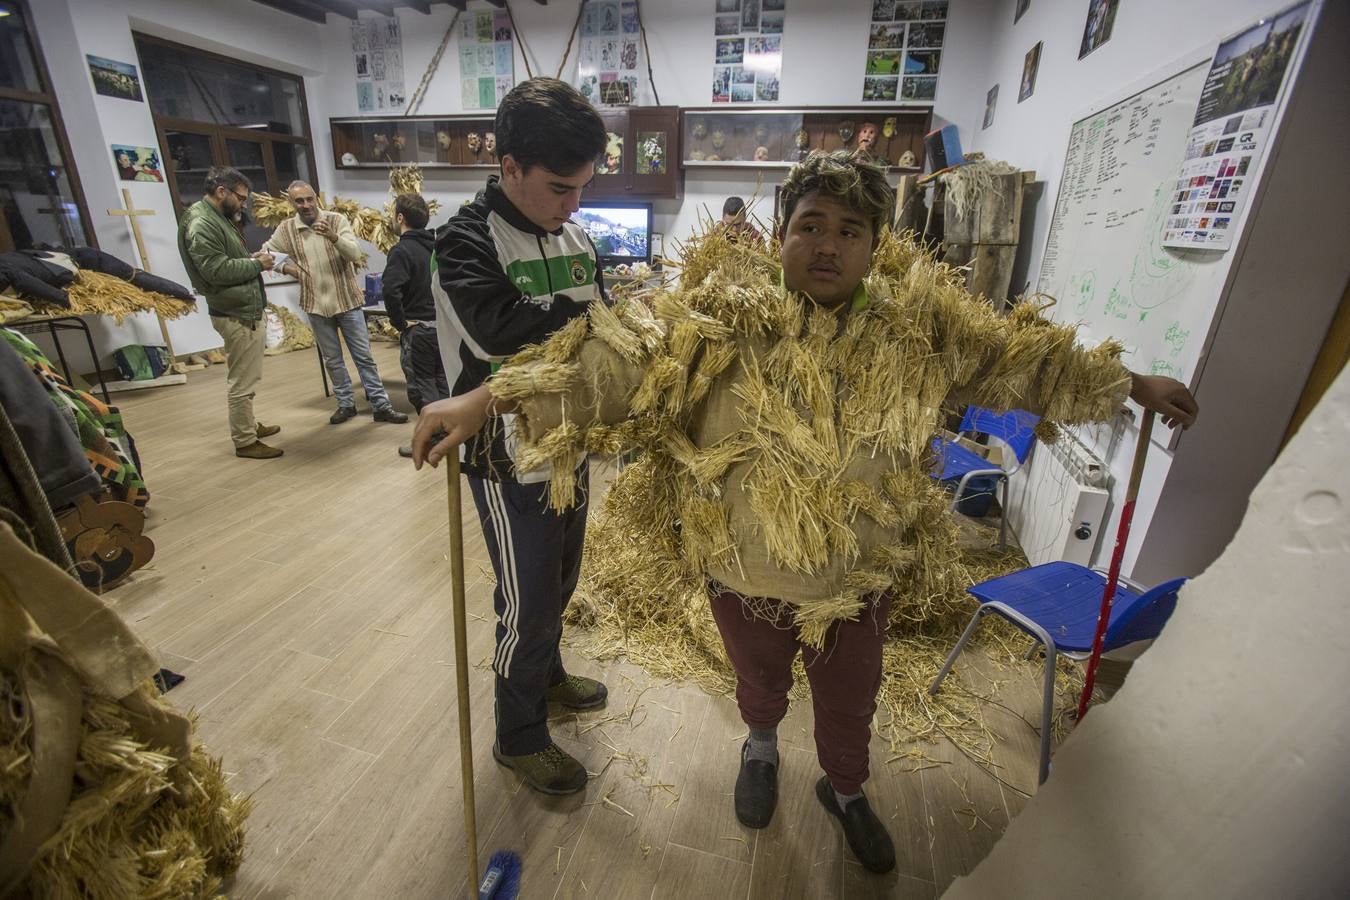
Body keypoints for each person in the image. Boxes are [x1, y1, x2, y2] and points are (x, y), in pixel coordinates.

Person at [410, 150, 1200, 873]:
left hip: (858, 574)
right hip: (743, 565)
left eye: (849, 230)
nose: (826, 245)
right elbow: (614, 357)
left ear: (876, 244)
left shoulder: (919, 328)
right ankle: (758, 748)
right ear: (778, 233)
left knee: (850, 698)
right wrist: (490, 396)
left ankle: (846, 790)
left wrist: (1129, 386)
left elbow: (1019, 359)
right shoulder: (716, 317)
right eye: (809, 225)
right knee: (757, 680)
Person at [422, 77, 610, 796]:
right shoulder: (462, 241)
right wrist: (590, 327)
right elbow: (503, 336)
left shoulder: (577, 234)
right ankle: (518, 734)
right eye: (562, 187)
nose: (575, 205)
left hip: (571, 442)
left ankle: (550, 675)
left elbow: (598, 323)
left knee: (561, 580)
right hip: (508, 454)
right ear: (509, 168)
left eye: (583, 187)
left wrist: (587, 326)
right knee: (525, 600)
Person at [267, 181, 408, 426]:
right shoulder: (286, 229)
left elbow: (354, 254)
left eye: (310, 199)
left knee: (363, 357)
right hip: (315, 304)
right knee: (332, 360)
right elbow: (266, 254)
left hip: (347, 301)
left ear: (316, 199)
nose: (306, 205)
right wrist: (289, 268)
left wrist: (333, 237)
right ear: (292, 203)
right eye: (299, 201)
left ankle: (381, 405)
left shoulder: (335, 220)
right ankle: (345, 404)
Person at [176, 166, 283, 460]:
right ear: (222, 191)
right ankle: (245, 440)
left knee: (248, 376)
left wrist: (250, 259)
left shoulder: (215, 219)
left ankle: (247, 424)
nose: (244, 204)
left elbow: (225, 260)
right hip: (235, 312)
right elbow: (216, 270)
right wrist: (258, 264)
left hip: (241, 307)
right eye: (241, 197)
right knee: (242, 381)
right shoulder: (201, 223)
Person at [381, 192, 446, 458]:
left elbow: (391, 290)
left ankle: (430, 439)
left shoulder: (401, 250)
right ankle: (451, 434)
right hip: (442, 329)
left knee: (422, 387)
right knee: (443, 381)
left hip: (417, 329)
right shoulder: (439, 246)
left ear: (400, 217)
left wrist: (399, 324)